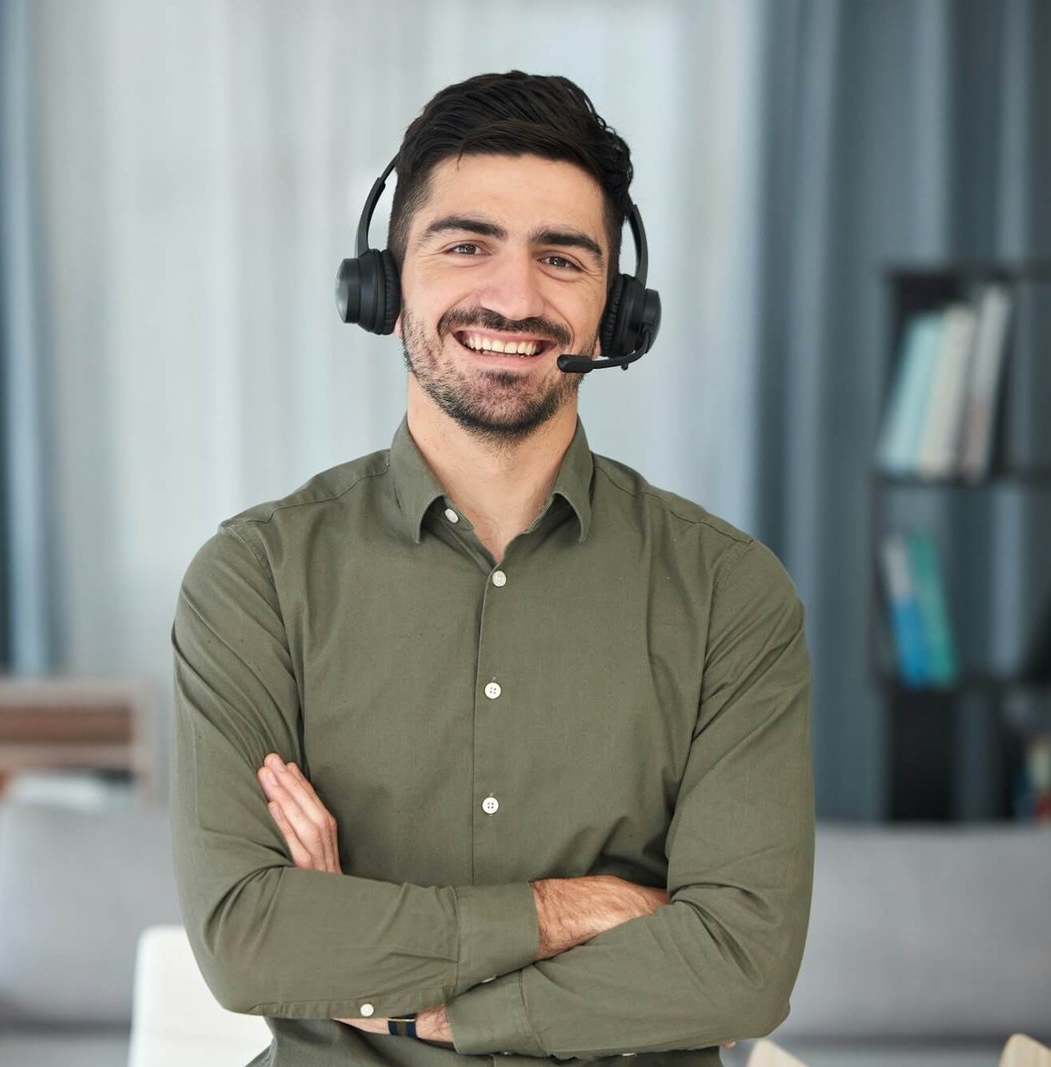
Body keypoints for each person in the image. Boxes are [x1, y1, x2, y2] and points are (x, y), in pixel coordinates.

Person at [170, 70, 814, 1066]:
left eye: (560, 257)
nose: (513, 297)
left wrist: (407, 988)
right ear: (384, 287)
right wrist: (572, 909)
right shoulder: (252, 577)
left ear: (615, 314)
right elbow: (249, 939)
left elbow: (742, 965)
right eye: (466, 244)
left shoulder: (731, 594)